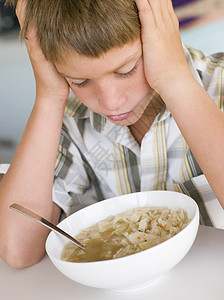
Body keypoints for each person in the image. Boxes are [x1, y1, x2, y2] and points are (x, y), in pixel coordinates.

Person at [0, 0, 224, 269]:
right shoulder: (71, 120)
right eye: (79, 81)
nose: (110, 102)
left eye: (126, 70)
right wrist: (49, 97)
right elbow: (17, 250)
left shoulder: (218, 85)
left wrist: (174, 78)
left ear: (163, 32)